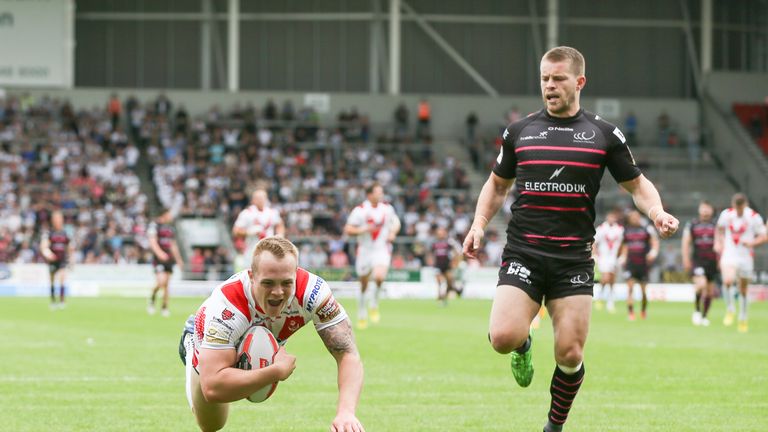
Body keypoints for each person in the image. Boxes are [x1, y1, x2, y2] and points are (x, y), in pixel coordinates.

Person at [462, 46, 679, 432]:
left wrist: (657, 212)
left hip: (573, 261)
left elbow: (637, 184)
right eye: (545, 78)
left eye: (558, 78)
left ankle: (554, 426)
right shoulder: (520, 132)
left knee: (570, 353)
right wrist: (479, 223)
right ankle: (524, 346)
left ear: (579, 82)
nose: (550, 85)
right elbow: (497, 185)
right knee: (503, 338)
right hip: (524, 253)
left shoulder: (603, 135)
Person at [178, 237, 365, 432]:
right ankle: (191, 345)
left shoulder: (313, 293)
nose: (278, 292)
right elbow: (213, 387)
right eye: (268, 283)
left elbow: (347, 353)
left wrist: (346, 412)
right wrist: (275, 372)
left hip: (248, 336)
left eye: (286, 283)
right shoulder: (227, 306)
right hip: (207, 338)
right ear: (252, 277)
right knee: (212, 425)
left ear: (296, 275)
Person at [343, 183, 401, 329]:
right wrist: (364, 229)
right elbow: (348, 229)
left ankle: (374, 304)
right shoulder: (360, 210)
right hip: (365, 250)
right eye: (378, 192)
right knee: (363, 283)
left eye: (381, 192)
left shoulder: (387, 208)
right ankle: (362, 311)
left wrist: (393, 232)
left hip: (381, 248)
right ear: (369, 195)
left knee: (380, 277)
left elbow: (396, 223)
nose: (381, 194)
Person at [714, 193, 767, 332]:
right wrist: (719, 243)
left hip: (745, 257)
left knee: (743, 290)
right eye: (737, 208)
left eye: (741, 209)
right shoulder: (726, 214)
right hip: (729, 253)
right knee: (727, 280)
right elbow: (719, 229)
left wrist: (752, 242)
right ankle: (730, 309)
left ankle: (743, 317)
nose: (739, 211)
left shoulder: (753, 217)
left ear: (745, 205)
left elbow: (764, 236)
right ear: (733, 205)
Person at [681, 200, 718, 326]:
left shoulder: (716, 225)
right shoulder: (692, 224)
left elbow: (721, 242)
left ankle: (704, 316)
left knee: (709, 291)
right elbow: (686, 242)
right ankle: (697, 310)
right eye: (703, 208)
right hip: (698, 261)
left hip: (712, 261)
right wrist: (685, 259)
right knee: (700, 285)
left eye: (708, 208)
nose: (705, 211)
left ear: (711, 210)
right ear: (699, 210)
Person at [619, 210, 659, 321]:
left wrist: (653, 252)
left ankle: (643, 311)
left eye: (637, 216)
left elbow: (654, 242)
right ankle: (631, 313)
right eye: (633, 217)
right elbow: (625, 246)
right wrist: (623, 256)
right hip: (630, 264)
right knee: (630, 288)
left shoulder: (646, 229)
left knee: (643, 291)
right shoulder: (626, 231)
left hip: (642, 264)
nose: (635, 218)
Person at [232, 188, 285, 269]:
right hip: (252, 250)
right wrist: (248, 232)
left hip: (269, 249)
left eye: (263, 198)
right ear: (253, 200)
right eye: (258, 198)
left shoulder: (272, 212)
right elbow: (235, 231)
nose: (261, 200)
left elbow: (280, 224)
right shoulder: (246, 213)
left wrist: (280, 235)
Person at [147, 209, 184, 317]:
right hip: (159, 259)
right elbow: (152, 241)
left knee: (167, 285)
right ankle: (152, 298)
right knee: (161, 282)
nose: (171, 216)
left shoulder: (170, 228)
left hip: (169, 259)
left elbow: (173, 245)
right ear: (164, 214)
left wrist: (179, 260)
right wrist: (160, 254)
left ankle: (164, 307)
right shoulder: (154, 225)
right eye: (169, 214)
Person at [40, 211, 74, 310]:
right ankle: (53, 301)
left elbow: (69, 247)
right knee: (52, 281)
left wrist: (71, 258)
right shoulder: (50, 233)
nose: (57, 220)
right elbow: (44, 246)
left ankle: (62, 301)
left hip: (62, 260)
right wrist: (48, 253)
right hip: (52, 261)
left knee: (63, 279)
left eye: (59, 218)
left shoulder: (65, 233)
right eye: (55, 218)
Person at [592, 209, 624, 313]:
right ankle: (600, 297)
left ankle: (610, 301)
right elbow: (594, 242)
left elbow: (623, 244)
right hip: (604, 257)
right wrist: (595, 254)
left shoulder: (620, 229)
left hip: (614, 258)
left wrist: (622, 256)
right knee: (605, 278)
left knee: (612, 280)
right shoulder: (601, 228)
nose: (611, 219)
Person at [430, 226, 461, 306]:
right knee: (440, 282)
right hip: (437, 265)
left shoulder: (449, 242)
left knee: (450, 282)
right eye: (439, 232)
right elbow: (430, 253)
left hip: (447, 265)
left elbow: (457, 252)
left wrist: (455, 262)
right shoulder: (434, 242)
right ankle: (440, 298)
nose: (440, 234)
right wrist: (430, 261)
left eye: (442, 232)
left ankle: (445, 297)